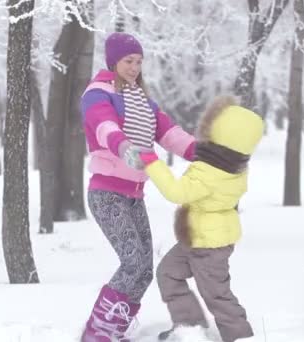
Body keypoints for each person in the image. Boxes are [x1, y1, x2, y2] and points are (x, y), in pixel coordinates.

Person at [79, 32, 196, 341]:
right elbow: (104, 126)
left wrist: (203, 152)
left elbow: (169, 133)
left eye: (139, 62)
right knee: (133, 262)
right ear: (114, 60)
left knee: (144, 268)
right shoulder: (97, 93)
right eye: (129, 61)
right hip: (107, 194)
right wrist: (123, 147)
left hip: (133, 196)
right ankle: (97, 331)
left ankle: (114, 329)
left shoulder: (141, 99)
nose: (134, 67)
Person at [137, 96, 263, 342]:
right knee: (168, 273)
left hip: (209, 245)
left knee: (217, 295)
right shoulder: (232, 167)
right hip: (197, 238)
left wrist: (152, 163)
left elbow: (176, 191)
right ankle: (190, 328)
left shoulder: (210, 172)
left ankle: (241, 336)